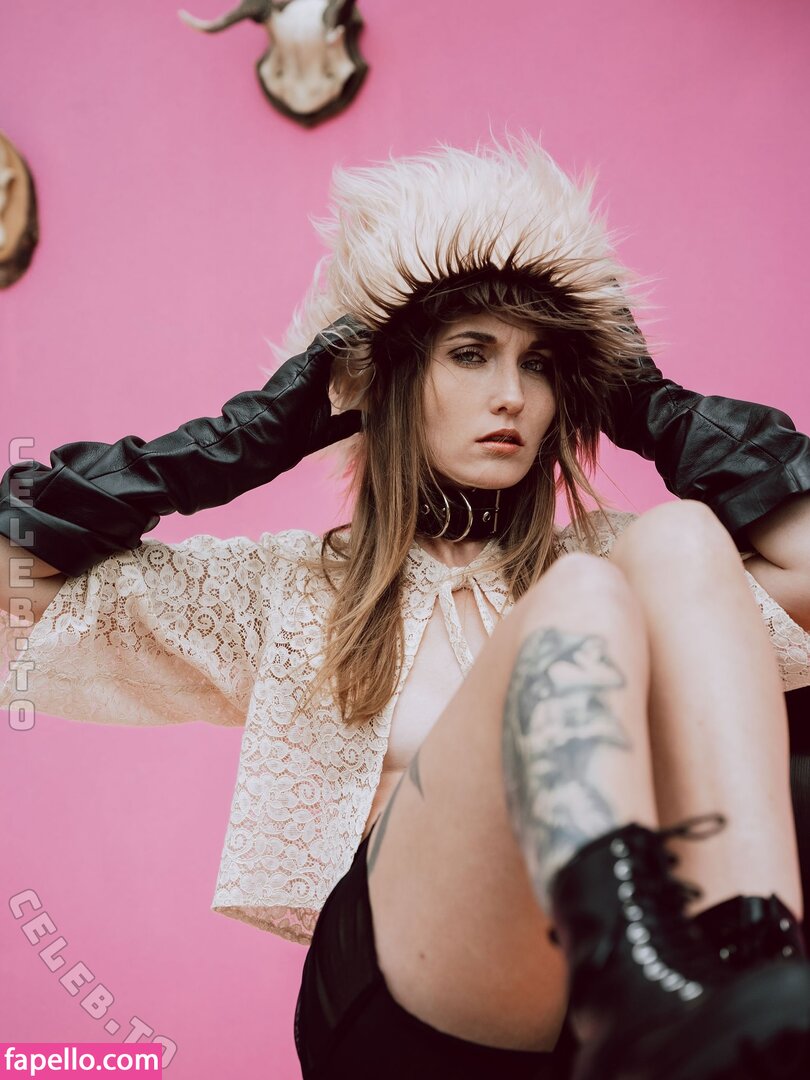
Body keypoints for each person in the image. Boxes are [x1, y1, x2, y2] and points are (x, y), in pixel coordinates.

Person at [2, 139, 810, 1080]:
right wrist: (238, 443)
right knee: (585, 595)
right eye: (471, 354)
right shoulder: (288, 591)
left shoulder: (619, 559)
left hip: (604, 1021)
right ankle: (638, 995)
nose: (511, 396)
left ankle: (751, 992)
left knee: (675, 540)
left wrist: (651, 403)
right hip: (398, 996)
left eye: (543, 364)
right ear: (392, 381)